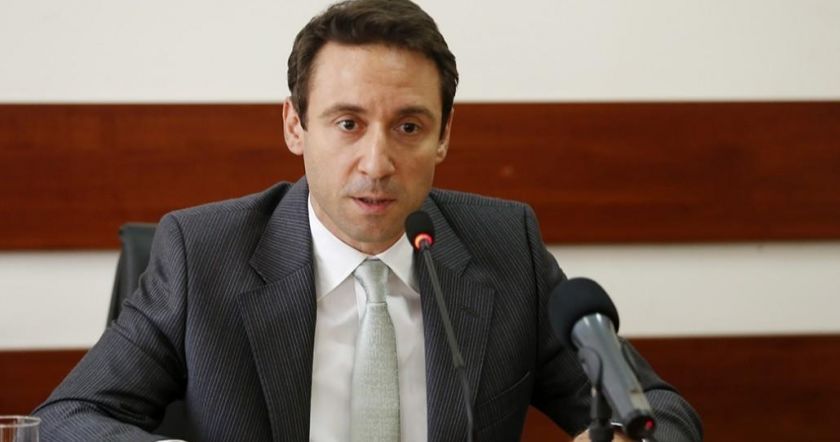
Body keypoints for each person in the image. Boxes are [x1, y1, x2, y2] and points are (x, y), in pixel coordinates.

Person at [34, 0, 702, 441]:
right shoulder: (202, 254)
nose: (377, 164)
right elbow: (69, 417)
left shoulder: (505, 250)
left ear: (444, 136)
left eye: (409, 127)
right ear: (295, 125)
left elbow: (663, 412)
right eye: (348, 123)